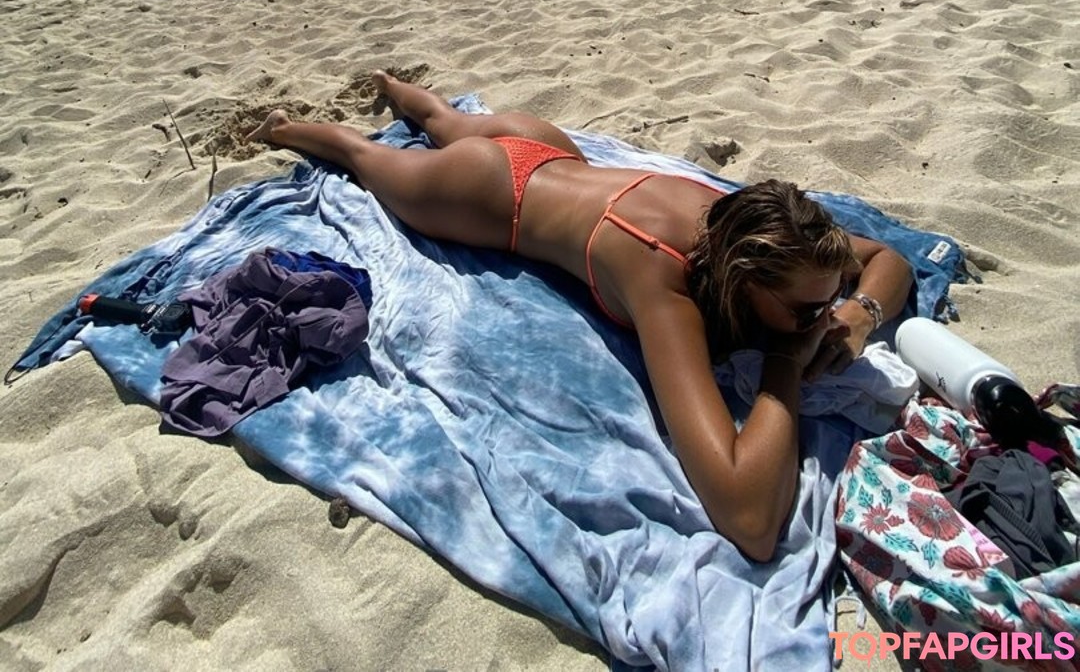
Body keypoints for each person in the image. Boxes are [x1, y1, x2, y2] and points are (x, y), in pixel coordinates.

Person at [248, 72, 912, 561]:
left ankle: (396, 87)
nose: (819, 314)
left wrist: (860, 312)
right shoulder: (665, 279)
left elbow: (887, 258)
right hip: (490, 192)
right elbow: (748, 517)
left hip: (552, 152)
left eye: (826, 298)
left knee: (445, 121)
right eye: (806, 308)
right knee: (367, 158)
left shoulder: (766, 235)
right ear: (745, 281)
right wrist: (786, 360)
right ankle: (284, 127)